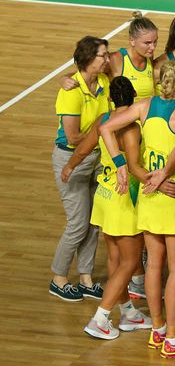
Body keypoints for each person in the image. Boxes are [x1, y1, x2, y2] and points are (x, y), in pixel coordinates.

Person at [101, 60, 175, 358]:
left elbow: (106, 128)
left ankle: (158, 330)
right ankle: (173, 337)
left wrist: (122, 164)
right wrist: (162, 177)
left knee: (153, 265)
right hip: (170, 195)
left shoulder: (144, 106)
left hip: (148, 195)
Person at [60, 76, 153, 338]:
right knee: (131, 261)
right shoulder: (132, 128)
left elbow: (82, 150)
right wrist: (157, 179)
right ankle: (100, 318)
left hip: (104, 194)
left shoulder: (104, 120)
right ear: (134, 96)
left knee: (115, 258)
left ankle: (128, 312)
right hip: (124, 197)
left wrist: (69, 167)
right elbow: (134, 166)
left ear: (111, 98)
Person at [49, 36, 111, 302]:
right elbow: (73, 137)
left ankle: (85, 277)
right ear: (88, 60)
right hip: (71, 161)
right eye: (102, 56)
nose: (107, 60)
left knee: (93, 222)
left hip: (95, 158)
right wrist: (101, 131)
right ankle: (58, 277)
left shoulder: (104, 82)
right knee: (77, 223)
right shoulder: (71, 92)